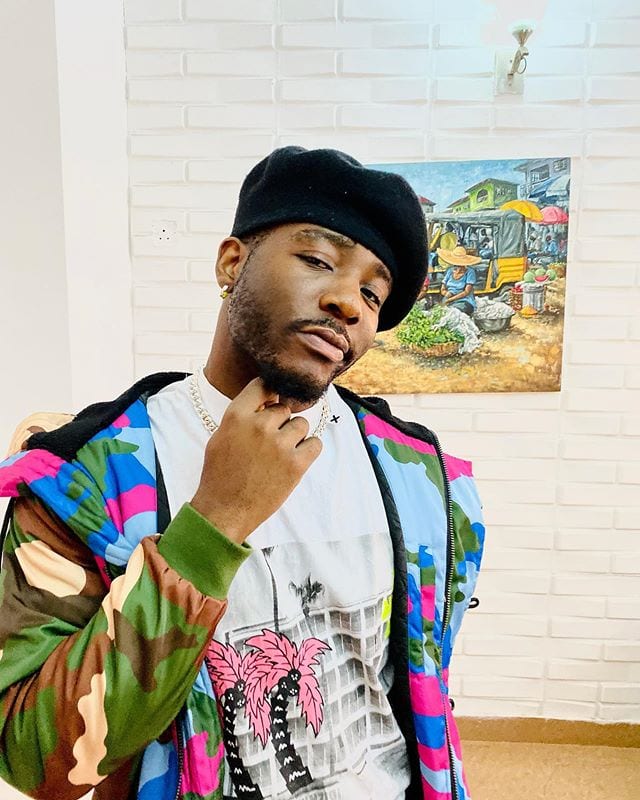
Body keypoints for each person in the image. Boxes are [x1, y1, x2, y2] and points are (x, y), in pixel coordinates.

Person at [0, 147, 484, 800]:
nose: (348, 302)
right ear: (232, 263)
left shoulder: (421, 479)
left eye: (373, 293)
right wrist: (213, 524)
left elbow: (416, 686)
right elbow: (31, 755)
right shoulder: (89, 478)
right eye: (318, 260)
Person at [437, 245, 482, 317]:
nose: (458, 267)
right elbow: (442, 288)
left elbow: (466, 292)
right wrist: (446, 293)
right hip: (448, 299)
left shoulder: (470, 272)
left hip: (464, 301)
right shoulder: (450, 271)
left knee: (453, 312)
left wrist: (451, 299)